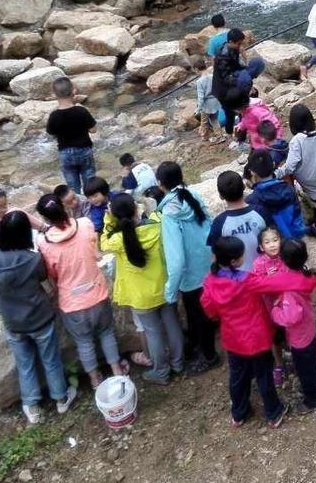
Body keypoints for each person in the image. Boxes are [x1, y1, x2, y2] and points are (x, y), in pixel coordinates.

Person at [201, 235, 316, 428]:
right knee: (264, 374)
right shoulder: (247, 281)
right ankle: (273, 412)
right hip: (257, 338)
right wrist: (309, 280)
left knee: (237, 376)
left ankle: (239, 413)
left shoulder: (210, 282)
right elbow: (279, 282)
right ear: (234, 261)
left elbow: (210, 309)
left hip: (233, 340)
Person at [0, 211, 77, 425]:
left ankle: (32, 407)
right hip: (39, 318)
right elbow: (44, 279)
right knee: (51, 360)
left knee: (24, 364)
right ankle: (61, 399)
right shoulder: (33, 258)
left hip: (13, 321)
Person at [35, 194, 126, 390]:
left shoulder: (44, 242)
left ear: (45, 218)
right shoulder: (85, 224)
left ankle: (95, 380)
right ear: (63, 206)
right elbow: (94, 247)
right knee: (106, 333)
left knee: (84, 342)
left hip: (72, 302)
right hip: (97, 293)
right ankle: (117, 370)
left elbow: (51, 273)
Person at [100, 192, 185, 384]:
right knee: (172, 325)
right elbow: (156, 214)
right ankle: (178, 363)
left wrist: (108, 218)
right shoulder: (156, 227)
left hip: (140, 297)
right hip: (164, 287)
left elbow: (103, 242)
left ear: (115, 215)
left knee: (153, 333)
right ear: (135, 209)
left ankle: (161, 372)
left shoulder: (118, 240)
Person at [154, 162, 216, 372]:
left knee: (197, 317)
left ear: (160, 184)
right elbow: (209, 221)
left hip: (191, 277)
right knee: (205, 314)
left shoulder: (169, 214)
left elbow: (176, 259)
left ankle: (209, 357)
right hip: (207, 264)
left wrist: (170, 292)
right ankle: (204, 350)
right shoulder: (192, 195)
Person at [271, 239, 316, 415]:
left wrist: (275, 312)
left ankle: (314, 400)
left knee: (304, 369)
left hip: (298, 337)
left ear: (284, 260)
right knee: (312, 359)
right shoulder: (303, 273)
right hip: (308, 328)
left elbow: (291, 317)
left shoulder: (289, 291)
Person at [275, 104, 316, 237]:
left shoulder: (297, 140)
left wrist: (276, 173)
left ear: (294, 124)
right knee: (315, 196)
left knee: (285, 170)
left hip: (303, 175)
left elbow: (290, 166)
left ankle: (297, 206)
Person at [252, 226, 289, 386]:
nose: (272, 245)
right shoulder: (259, 263)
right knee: (274, 337)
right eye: (267, 242)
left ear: (281, 240)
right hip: (268, 308)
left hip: (287, 306)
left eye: (275, 240)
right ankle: (279, 365)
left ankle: (292, 356)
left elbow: (290, 277)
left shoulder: (286, 257)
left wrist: (274, 280)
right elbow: (258, 284)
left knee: (289, 332)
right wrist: (272, 280)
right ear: (261, 247)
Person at [209, 171, 267, 272]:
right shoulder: (261, 212)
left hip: (238, 282)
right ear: (244, 187)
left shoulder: (219, 223)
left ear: (221, 196)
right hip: (265, 275)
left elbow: (215, 256)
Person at [46, 78, 96, 194]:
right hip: (84, 150)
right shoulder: (81, 111)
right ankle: (92, 204)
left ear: (54, 95)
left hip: (65, 153)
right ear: (74, 91)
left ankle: (77, 205)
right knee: (90, 183)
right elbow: (93, 130)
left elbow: (50, 133)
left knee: (73, 186)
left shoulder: (54, 115)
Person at [246, 150, 307, 239]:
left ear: (252, 172)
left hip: (275, 246)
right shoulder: (288, 188)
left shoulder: (252, 200)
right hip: (297, 237)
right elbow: (297, 215)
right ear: (273, 164)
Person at [211, 29, 257, 136]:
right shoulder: (223, 56)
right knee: (229, 113)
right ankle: (230, 133)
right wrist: (241, 82)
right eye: (238, 43)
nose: (240, 46)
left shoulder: (233, 49)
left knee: (241, 107)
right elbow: (226, 77)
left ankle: (241, 131)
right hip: (222, 90)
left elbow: (236, 66)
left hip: (230, 86)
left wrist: (246, 71)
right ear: (231, 41)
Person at [194, 57, 224, 143]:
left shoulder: (199, 81)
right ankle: (220, 136)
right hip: (215, 102)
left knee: (204, 122)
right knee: (215, 119)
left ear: (196, 69)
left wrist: (198, 109)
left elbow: (201, 97)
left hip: (206, 105)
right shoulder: (213, 76)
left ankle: (204, 137)